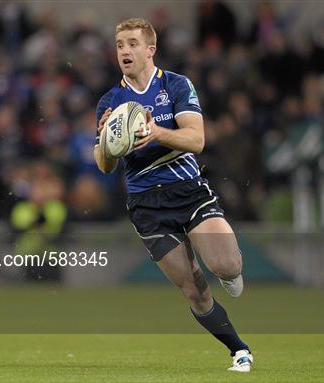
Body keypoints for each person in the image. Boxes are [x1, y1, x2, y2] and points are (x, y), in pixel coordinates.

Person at [94, 18, 253, 373]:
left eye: (132, 44)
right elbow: (104, 165)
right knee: (194, 288)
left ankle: (228, 269)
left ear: (150, 49)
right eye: (120, 45)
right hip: (146, 204)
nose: (125, 51)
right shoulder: (111, 100)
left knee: (227, 265)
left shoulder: (176, 85)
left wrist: (155, 132)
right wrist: (106, 140)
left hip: (188, 190)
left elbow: (196, 140)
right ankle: (239, 350)